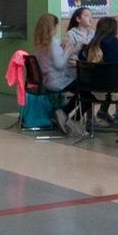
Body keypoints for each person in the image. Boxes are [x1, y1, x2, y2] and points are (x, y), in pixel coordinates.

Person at [31, 12, 87, 140]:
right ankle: (69, 118)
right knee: (86, 90)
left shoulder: (40, 45)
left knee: (81, 89)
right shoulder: (53, 43)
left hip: (46, 82)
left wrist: (74, 48)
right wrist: (66, 52)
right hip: (57, 82)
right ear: (52, 27)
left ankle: (64, 113)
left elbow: (56, 59)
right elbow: (60, 64)